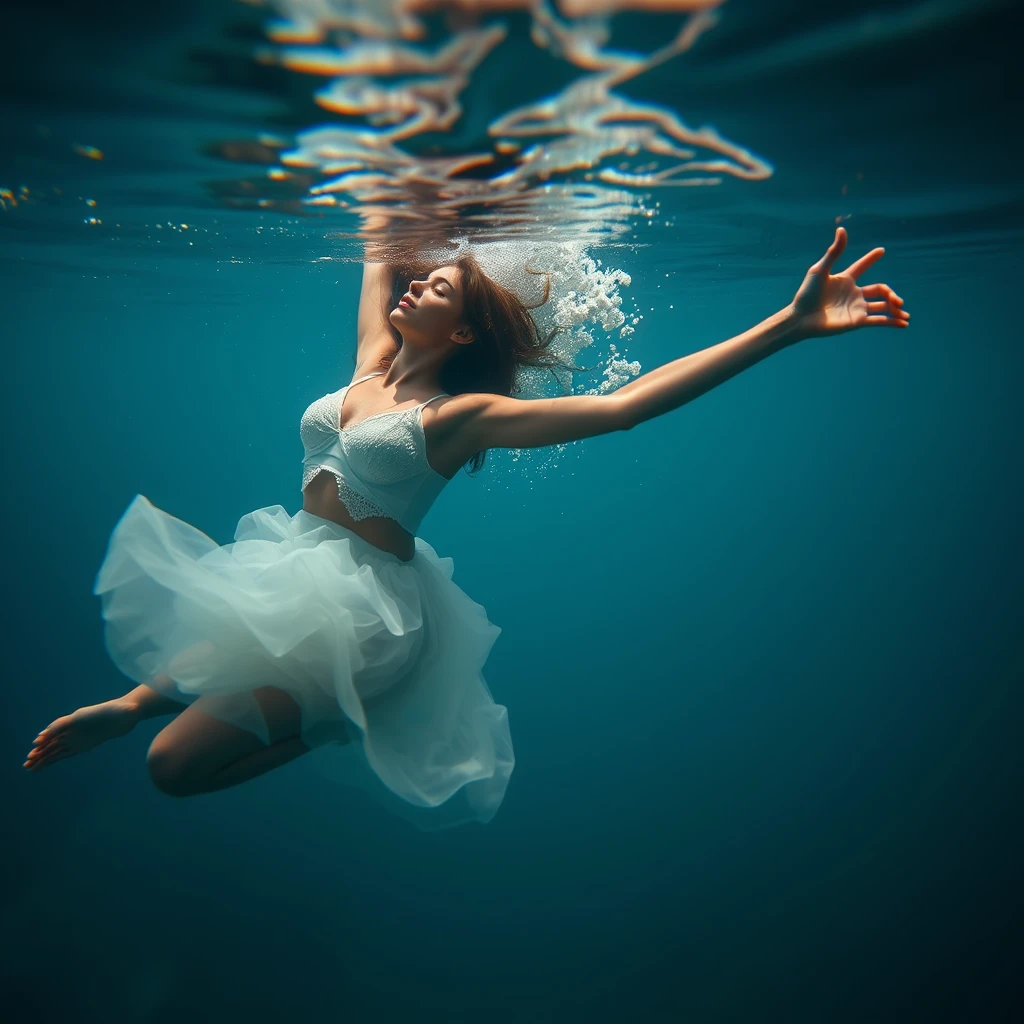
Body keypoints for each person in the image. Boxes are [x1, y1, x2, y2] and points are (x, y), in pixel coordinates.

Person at [23, 226, 909, 828]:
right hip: (290, 564)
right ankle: (135, 706)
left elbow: (620, 408)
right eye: (423, 279)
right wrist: (387, 136)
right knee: (181, 705)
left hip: (363, 618)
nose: (415, 285)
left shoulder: (457, 417)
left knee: (173, 773)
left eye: (437, 286)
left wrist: (785, 329)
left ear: (463, 327)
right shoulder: (371, 366)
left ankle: (335, 715)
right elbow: (378, 253)